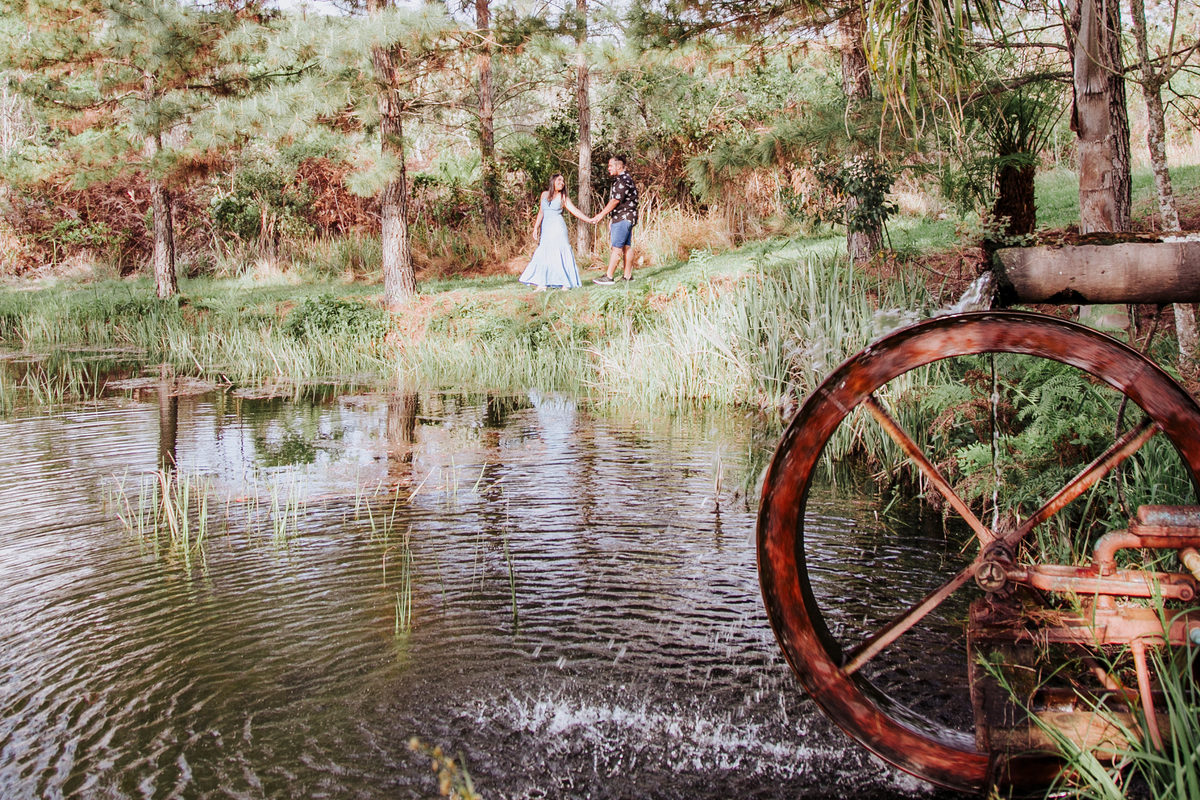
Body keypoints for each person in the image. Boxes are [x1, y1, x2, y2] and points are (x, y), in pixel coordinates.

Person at [519, 173, 590, 291]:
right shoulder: (544, 194)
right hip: (546, 228)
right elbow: (541, 212)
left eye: (563, 181)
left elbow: (574, 210)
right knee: (544, 254)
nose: (562, 183)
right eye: (559, 180)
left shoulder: (563, 197)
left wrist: (589, 220)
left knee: (559, 253)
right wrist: (535, 227)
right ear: (553, 182)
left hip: (558, 228)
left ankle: (565, 283)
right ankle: (542, 283)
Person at [590, 155, 639, 285]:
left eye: (610, 166)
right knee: (626, 246)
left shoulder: (623, 180)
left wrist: (601, 214)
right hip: (626, 217)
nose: (608, 168)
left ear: (619, 166)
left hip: (623, 218)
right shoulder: (626, 179)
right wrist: (612, 218)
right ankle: (627, 276)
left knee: (616, 247)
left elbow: (615, 200)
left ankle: (609, 276)